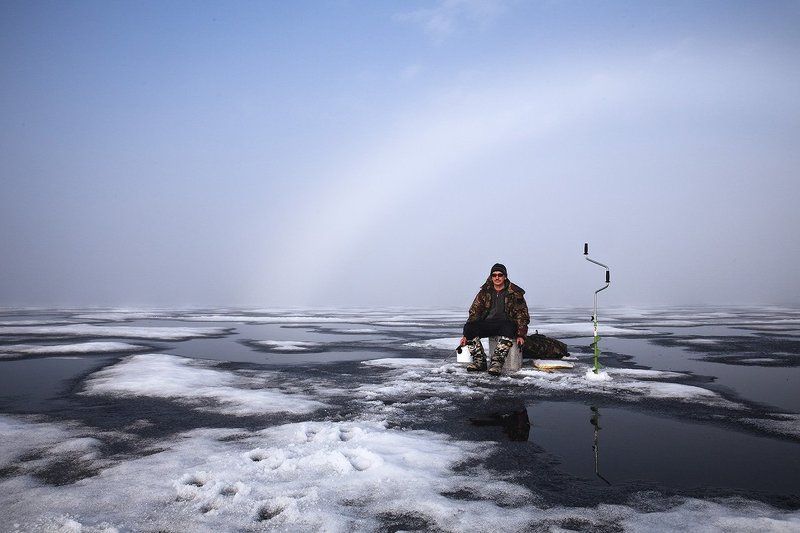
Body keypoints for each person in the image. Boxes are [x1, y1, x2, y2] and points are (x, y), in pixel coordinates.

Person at [459, 263, 530, 376]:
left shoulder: (515, 293)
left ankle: (496, 363)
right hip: (487, 323)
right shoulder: (484, 292)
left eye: (500, 275)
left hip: (506, 324)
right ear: (491, 277)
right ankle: (479, 362)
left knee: (509, 327)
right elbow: (474, 312)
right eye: (494, 275)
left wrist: (521, 334)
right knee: (469, 327)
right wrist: (466, 335)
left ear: (505, 276)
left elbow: (522, 315)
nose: (497, 277)